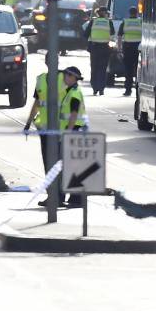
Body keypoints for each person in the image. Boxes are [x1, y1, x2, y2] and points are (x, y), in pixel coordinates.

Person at [24, 67, 66, 172]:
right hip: (44, 127)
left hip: (62, 126)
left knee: (60, 158)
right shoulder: (41, 79)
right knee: (47, 158)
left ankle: (59, 184)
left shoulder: (66, 78)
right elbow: (37, 103)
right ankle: (51, 184)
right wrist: (28, 122)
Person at [60, 66, 87, 208]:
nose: (64, 78)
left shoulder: (74, 93)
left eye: (66, 75)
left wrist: (68, 133)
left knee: (73, 166)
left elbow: (74, 114)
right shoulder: (71, 91)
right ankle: (75, 198)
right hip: (75, 130)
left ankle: (77, 199)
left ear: (71, 77)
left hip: (74, 131)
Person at [84, 7, 114, 95]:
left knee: (94, 68)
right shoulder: (109, 22)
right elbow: (112, 33)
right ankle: (101, 89)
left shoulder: (93, 22)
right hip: (105, 48)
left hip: (94, 48)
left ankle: (95, 88)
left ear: (98, 13)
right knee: (103, 69)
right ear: (105, 13)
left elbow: (85, 34)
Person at [118, 6, 142, 96]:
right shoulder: (140, 22)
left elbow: (119, 36)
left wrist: (119, 49)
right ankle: (138, 91)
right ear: (137, 13)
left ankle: (128, 90)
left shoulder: (125, 22)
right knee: (138, 70)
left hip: (127, 47)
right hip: (138, 48)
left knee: (128, 70)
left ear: (129, 13)